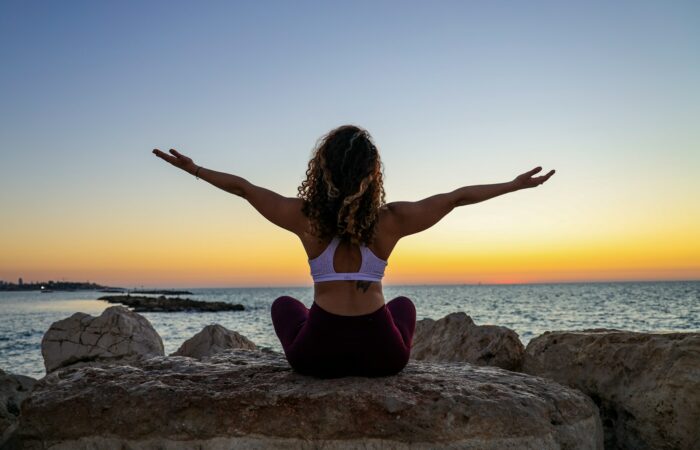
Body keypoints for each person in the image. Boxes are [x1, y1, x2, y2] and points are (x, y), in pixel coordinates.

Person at [152, 124, 555, 378]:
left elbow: (244, 188)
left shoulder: (305, 217)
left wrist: (196, 170)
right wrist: (512, 185)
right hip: (383, 357)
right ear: (372, 174)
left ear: (321, 170)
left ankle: (319, 323)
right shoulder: (391, 221)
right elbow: (456, 198)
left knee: (283, 306)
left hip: (315, 357)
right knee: (405, 307)